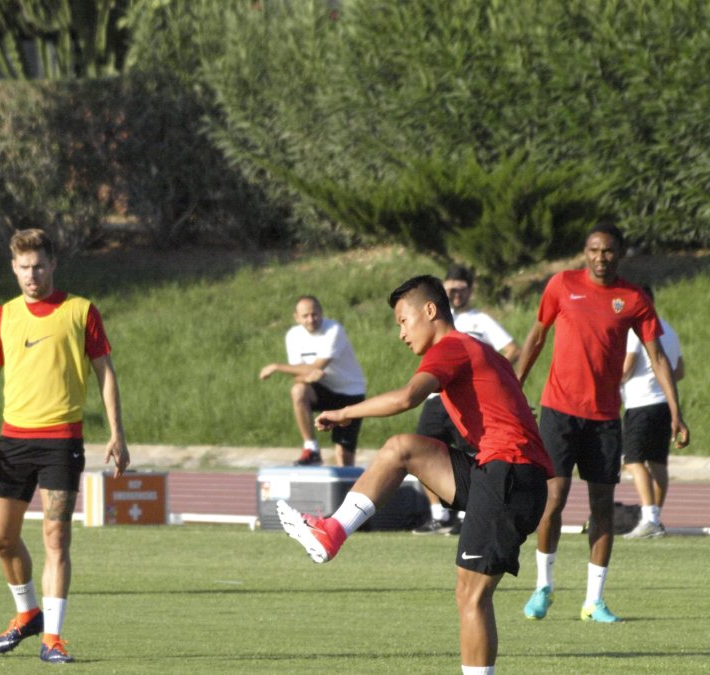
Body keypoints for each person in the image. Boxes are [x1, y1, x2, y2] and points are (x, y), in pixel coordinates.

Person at [276, 275, 553, 675]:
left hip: (509, 476)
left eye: (403, 321)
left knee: (472, 597)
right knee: (402, 449)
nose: (402, 333)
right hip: (500, 472)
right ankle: (332, 532)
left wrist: (343, 412)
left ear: (430, 311)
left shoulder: (453, 347)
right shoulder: (476, 350)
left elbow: (408, 397)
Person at [0, 228, 129, 664]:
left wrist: (117, 432)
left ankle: (51, 638)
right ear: (13, 268)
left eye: (39, 266)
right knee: (1, 539)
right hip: (13, 442)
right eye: (24, 267)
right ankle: (27, 611)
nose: (32, 275)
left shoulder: (80, 311)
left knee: (56, 536)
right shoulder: (3, 316)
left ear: (53, 264)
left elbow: (105, 373)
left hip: (60, 440)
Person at [516, 223, 689, 623]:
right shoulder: (561, 285)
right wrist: (516, 384)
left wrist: (676, 411)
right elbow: (537, 336)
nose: (600, 258)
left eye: (608, 251)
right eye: (593, 250)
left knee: (602, 509)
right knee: (553, 501)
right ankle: (544, 586)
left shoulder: (633, 299)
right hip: (559, 412)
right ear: (584, 251)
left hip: (605, 419)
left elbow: (658, 358)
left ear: (620, 255)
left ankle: (594, 601)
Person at [414, 264, 520, 535]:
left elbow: (512, 350)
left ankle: (468, 515)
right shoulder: (435, 320)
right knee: (423, 451)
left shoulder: (479, 321)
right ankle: (439, 514)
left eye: (461, 289)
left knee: (473, 456)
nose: (456, 295)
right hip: (437, 398)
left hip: (467, 400)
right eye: (450, 290)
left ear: (470, 291)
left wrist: (486, 378)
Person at [259, 295, 367, 466]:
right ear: (296, 317)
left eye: (314, 314)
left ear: (321, 312)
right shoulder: (293, 336)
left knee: (343, 457)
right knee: (298, 390)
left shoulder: (333, 330)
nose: (311, 320)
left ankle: (349, 490)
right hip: (323, 390)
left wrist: (277, 367)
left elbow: (316, 366)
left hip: (349, 393)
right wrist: (308, 377)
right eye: (305, 316)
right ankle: (311, 449)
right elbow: (300, 376)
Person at [621, 284, 684, 539]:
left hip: (640, 403)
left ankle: (648, 518)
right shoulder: (669, 329)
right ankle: (655, 519)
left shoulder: (636, 330)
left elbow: (626, 368)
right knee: (658, 462)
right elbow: (678, 371)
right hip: (663, 403)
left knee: (633, 461)